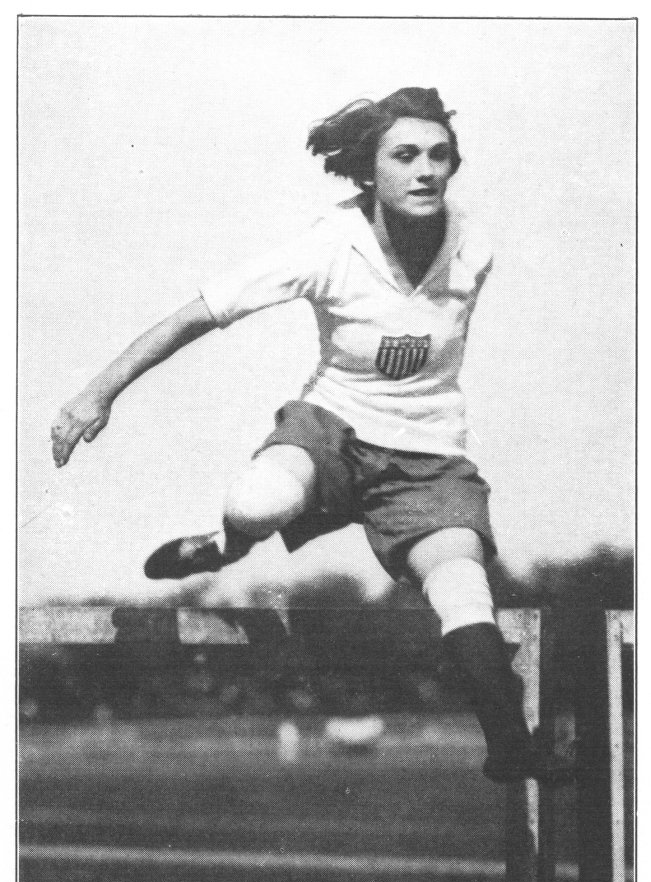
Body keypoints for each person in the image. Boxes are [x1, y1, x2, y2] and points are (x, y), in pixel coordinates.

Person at [51, 87, 573, 784]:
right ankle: (225, 544)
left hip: (426, 455)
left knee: (462, 586)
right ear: (368, 172)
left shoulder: (472, 247)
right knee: (257, 504)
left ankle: (510, 747)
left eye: (439, 155)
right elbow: (197, 314)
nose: (425, 170)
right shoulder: (329, 246)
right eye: (404, 155)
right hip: (332, 429)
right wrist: (97, 392)